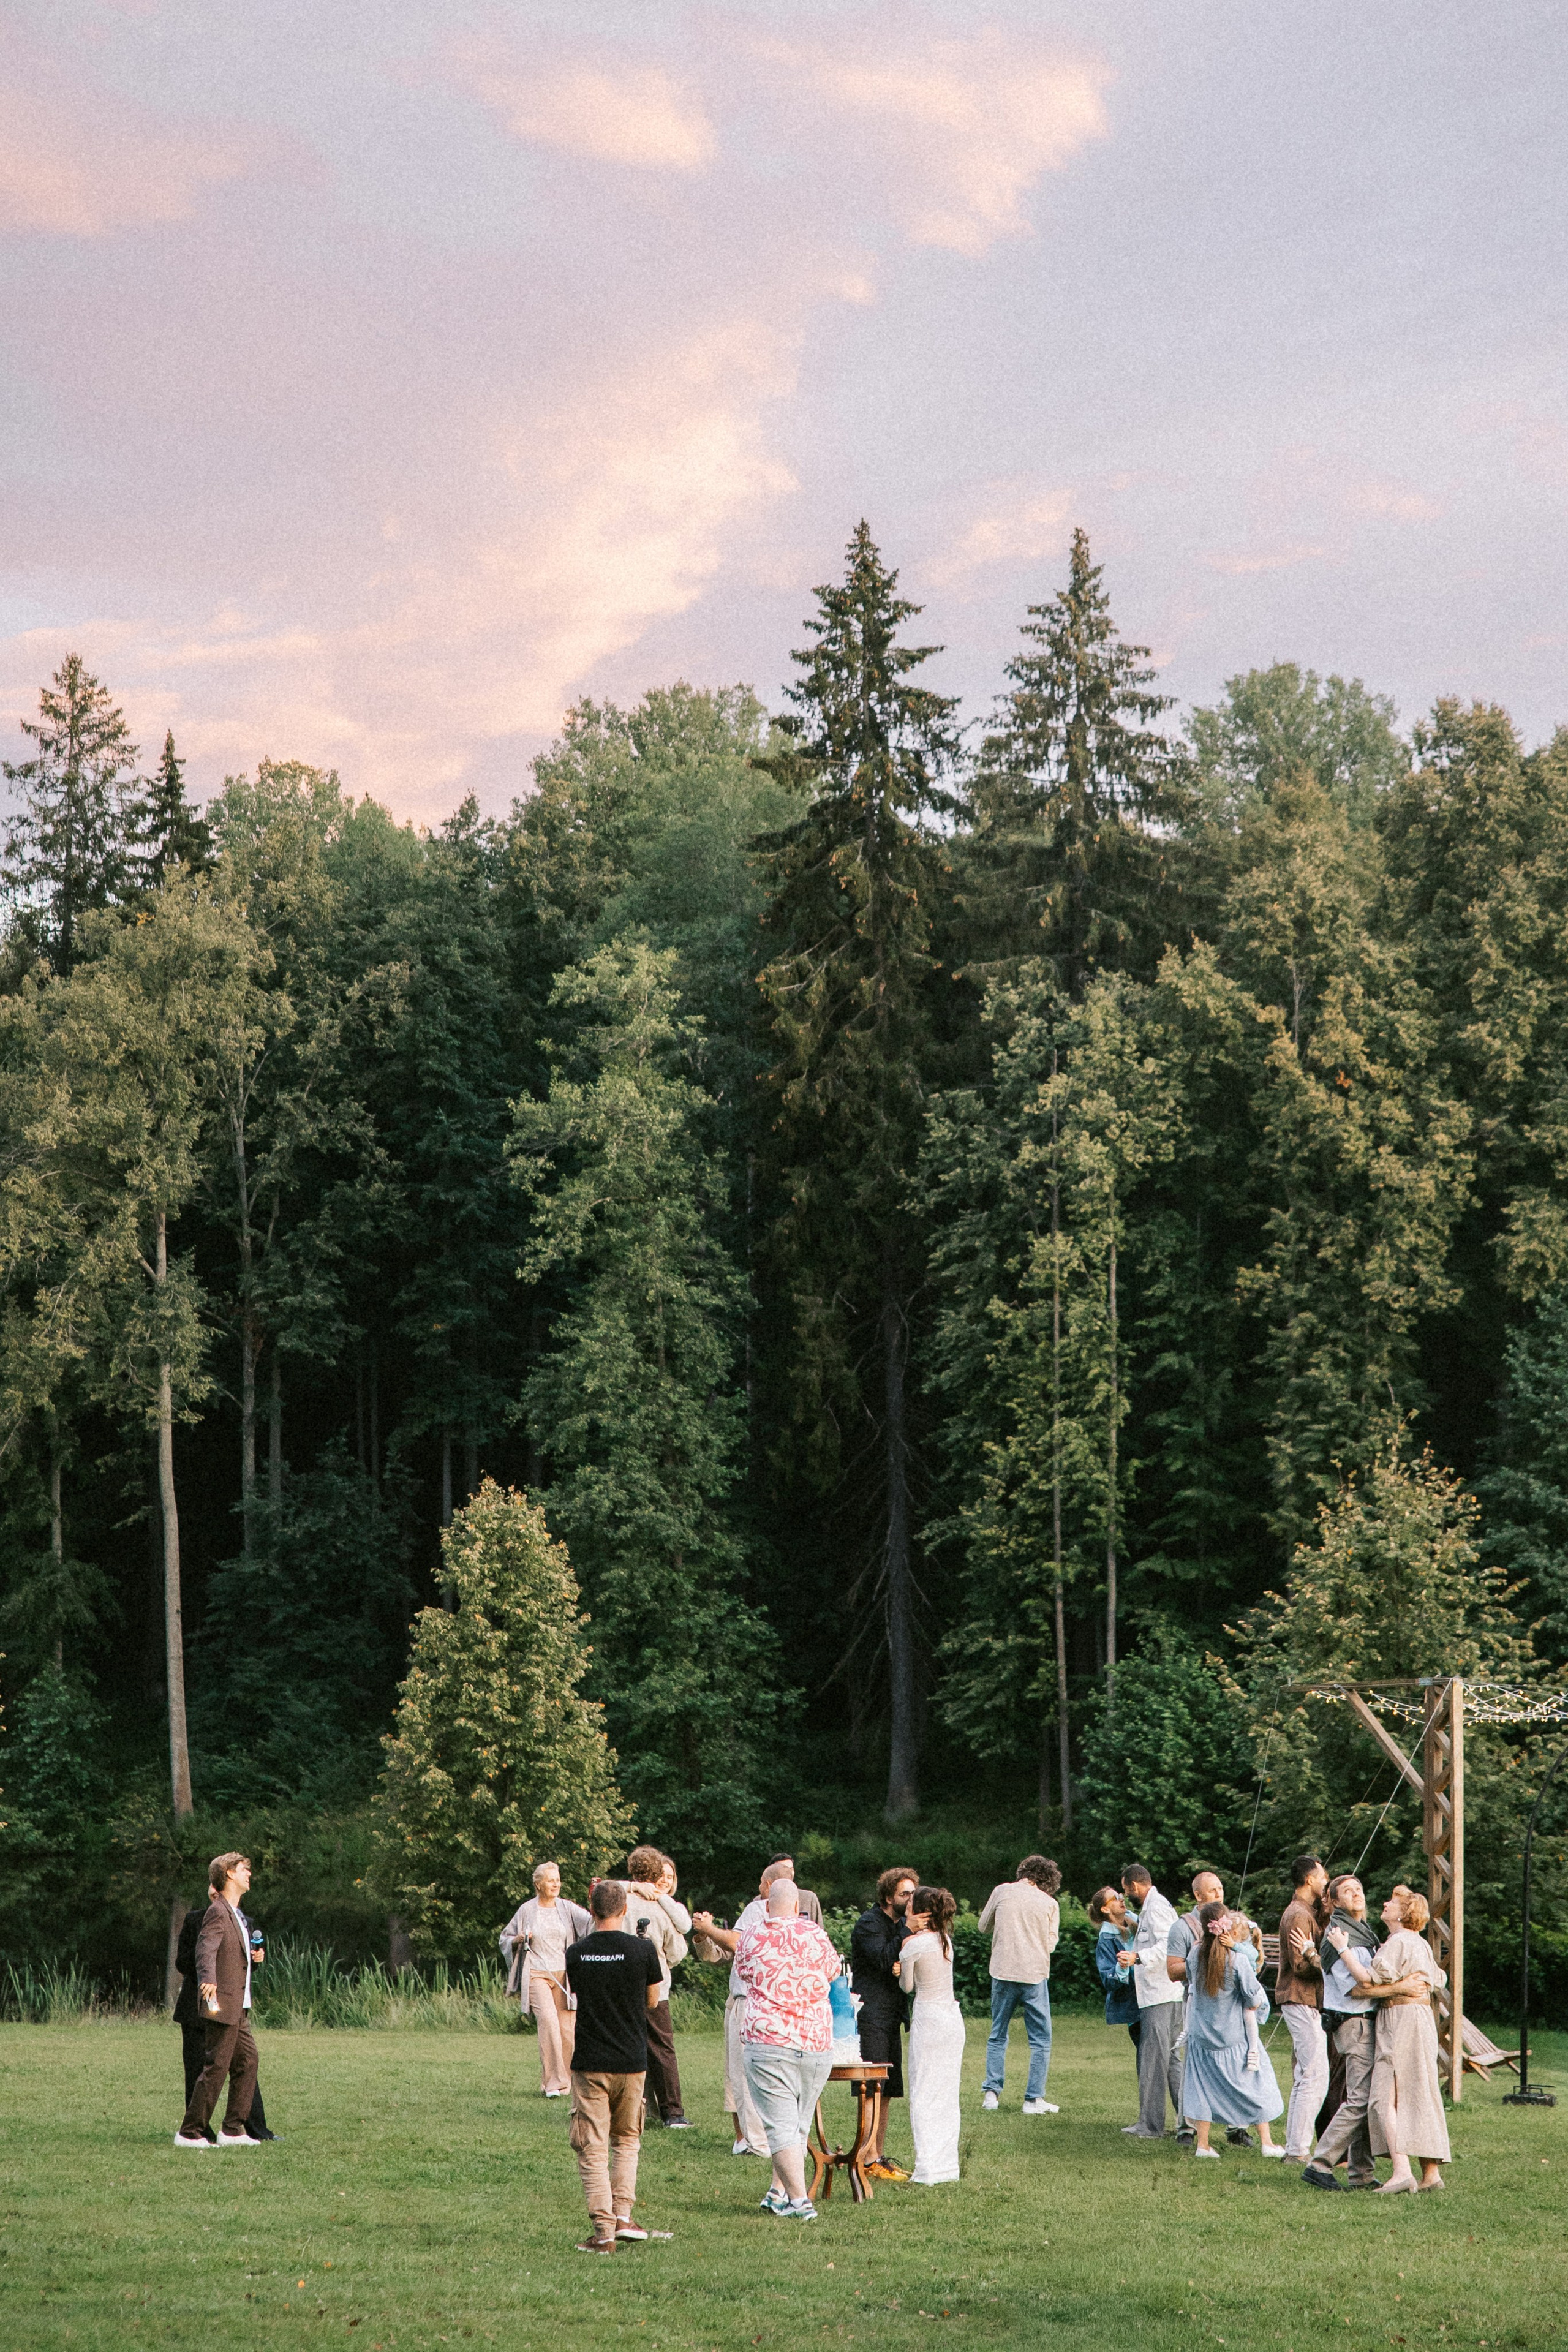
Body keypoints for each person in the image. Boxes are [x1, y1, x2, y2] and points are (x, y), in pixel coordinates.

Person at [563, 1878, 665, 2253]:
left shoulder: (576, 1953)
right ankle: (623, 2216)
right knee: (627, 2141)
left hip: (590, 2061)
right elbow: (652, 2001)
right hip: (632, 2061)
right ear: (625, 1910)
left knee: (592, 2147)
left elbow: (579, 1994)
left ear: (591, 1911)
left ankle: (603, 2232)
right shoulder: (643, 1950)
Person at [1329, 1884, 1450, 2193]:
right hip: (1420, 2018)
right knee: (1418, 2091)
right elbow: (1439, 1978)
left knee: (1382, 2099)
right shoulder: (1418, 1942)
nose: (1385, 1904)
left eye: (1393, 1902)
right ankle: (1431, 2174)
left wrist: (1342, 1949)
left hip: (1399, 2018)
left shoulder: (1397, 1942)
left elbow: (1367, 1981)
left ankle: (1402, 2172)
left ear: (1403, 1913)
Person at [735, 1879, 839, 2221]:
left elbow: (744, 1973)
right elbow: (833, 1972)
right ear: (798, 1907)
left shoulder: (752, 1935)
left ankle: (799, 2202)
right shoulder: (817, 1935)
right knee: (796, 2125)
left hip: (768, 2041)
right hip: (815, 2042)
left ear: (767, 1906)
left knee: (781, 2127)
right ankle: (778, 2193)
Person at [692, 1861, 795, 2158]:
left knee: (743, 2073)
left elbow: (737, 1944)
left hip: (749, 2003)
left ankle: (756, 2142)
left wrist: (708, 1928)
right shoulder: (799, 1922)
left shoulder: (759, 1909)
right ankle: (766, 2137)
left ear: (768, 1886)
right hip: (781, 2004)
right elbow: (721, 1954)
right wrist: (704, 1937)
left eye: (761, 1882)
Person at [1181, 1904, 1286, 2157]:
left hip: (1202, 2036)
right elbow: (1253, 1999)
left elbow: (1191, 1985)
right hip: (1235, 2037)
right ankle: (1267, 2143)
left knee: (1202, 2088)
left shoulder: (1194, 1955)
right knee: (1257, 2084)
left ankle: (1203, 2145)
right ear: (1226, 1926)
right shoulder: (1237, 1961)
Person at [174, 1852, 262, 2149]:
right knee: (216, 2068)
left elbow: (233, 1957)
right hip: (222, 2003)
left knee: (248, 2061)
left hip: (239, 2006)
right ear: (229, 1874)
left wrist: (255, 1958)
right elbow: (205, 1948)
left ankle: (232, 2130)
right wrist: (208, 1979)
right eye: (244, 1869)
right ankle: (190, 2132)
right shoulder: (218, 1911)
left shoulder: (235, 1914)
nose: (249, 1874)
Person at [1300, 1872, 1381, 2192]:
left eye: (1359, 1888)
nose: (1356, 1893)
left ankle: (1362, 2174)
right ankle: (1319, 2164)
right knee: (1360, 2099)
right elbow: (1356, 1989)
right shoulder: (1338, 1936)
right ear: (1334, 1901)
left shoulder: (1363, 1932)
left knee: (1367, 2099)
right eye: (1347, 1891)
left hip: (1366, 2021)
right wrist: (1401, 1990)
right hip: (1354, 2022)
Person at [1166, 1869, 1253, 2149]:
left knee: (1235, 2064)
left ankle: (1237, 2127)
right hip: (1199, 2004)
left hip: (1231, 2005)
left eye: (1221, 1888)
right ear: (1198, 1895)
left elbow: (1249, 1961)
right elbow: (1172, 1970)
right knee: (1194, 2066)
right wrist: (1202, 1961)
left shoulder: (1234, 1922)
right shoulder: (1182, 1927)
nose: (1219, 1893)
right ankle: (1187, 2127)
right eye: (1212, 1890)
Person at [499, 1862, 592, 2097]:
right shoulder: (526, 1910)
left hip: (565, 1976)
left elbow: (593, 1923)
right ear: (538, 1884)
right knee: (549, 2023)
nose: (556, 1884)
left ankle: (567, 2082)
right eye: (551, 1880)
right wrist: (519, 1939)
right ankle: (552, 2083)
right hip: (537, 1973)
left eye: (558, 1879)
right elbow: (504, 1939)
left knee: (566, 2030)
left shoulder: (567, 1907)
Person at [850, 1864, 918, 2180]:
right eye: (905, 1894)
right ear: (889, 1897)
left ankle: (877, 2156)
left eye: (913, 1893)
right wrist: (907, 1931)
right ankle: (865, 2159)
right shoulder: (869, 1923)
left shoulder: (902, 1924)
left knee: (887, 2088)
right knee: (871, 2088)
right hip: (870, 2015)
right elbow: (882, 1958)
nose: (911, 1899)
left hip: (892, 2015)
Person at [978, 1855, 1061, 2114]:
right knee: (1040, 2039)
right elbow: (1051, 1944)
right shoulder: (1050, 1903)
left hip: (1003, 1970)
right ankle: (1033, 2099)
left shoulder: (1002, 1891)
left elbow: (983, 1926)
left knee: (998, 2033)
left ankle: (991, 2094)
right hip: (1034, 1974)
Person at [899, 1885, 965, 2184]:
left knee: (924, 2091)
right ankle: (947, 2166)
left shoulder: (912, 1944)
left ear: (920, 1910)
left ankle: (927, 2168)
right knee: (947, 2094)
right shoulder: (945, 1940)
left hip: (928, 2019)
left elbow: (907, 1987)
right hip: (951, 2019)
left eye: (911, 1902)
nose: (907, 1905)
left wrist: (900, 1969)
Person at [622, 1845, 691, 2128]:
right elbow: (678, 1951)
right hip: (655, 1988)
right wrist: (663, 1963)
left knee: (626, 2045)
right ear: (656, 1873)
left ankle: (626, 2109)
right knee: (662, 2049)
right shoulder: (662, 1909)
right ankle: (672, 2112)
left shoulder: (618, 1901)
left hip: (620, 1987)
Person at [1117, 1864, 1184, 2138]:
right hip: (1167, 1994)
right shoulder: (1154, 1907)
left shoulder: (1156, 1908)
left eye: (1126, 1890)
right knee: (1171, 2060)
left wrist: (1137, 1957)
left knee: (1153, 2060)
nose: (1126, 1895)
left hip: (1160, 1996)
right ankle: (1188, 2122)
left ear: (1134, 1885)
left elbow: (1169, 1944)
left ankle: (1150, 2125)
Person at [1276, 1853, 1330, 2163]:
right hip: (1300, 1998)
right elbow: (1300, 1966)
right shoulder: (1298, 1915)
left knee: (1306, 2075)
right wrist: (1330, 1966)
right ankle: (1297, 2151)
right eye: (1323, 1877)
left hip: (1303, 2000)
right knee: (1314, 2076)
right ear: (1310, 1880)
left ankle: (1295, 2148)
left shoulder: (1306, 1912)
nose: (1326, 1882)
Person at [1088, 1887, 1141, 2059]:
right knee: (1147, 2055)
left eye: (1120, 1895)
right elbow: (1108, 1981)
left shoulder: (1140, 1921)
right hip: (1134, 2006)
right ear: (1105, 1909)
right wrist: (1122, 1965)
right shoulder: (1106, 1940)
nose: (1121, 1898)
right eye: (1115, 1898)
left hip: (1155, 1997)